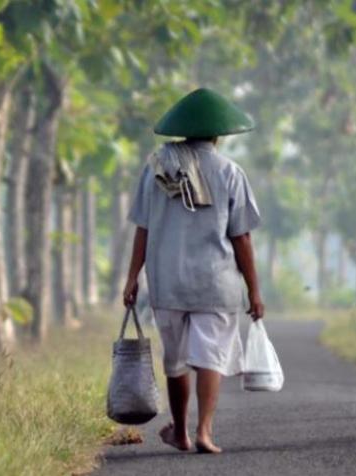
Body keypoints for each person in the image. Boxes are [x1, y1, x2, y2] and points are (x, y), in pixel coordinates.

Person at [122, 88, 265, 454]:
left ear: (181, 131)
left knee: (176, 362)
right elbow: (242, 237)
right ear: (218, 135)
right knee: (210, 357)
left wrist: (131, 277)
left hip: (167, 281)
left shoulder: (157, 166)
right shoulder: (231, 172)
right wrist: (254, 290)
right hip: (216, 282)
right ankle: (204, 431)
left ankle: (181, 433)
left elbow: (143, 227)